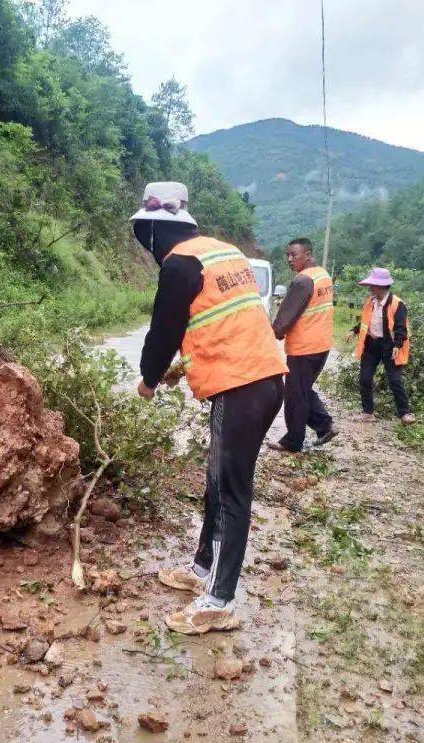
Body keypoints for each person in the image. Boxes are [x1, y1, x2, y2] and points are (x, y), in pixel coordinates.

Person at [131, 181, 287, 634]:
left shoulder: (179, 264)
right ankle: (203, 568)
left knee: (229, 492)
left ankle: (218, 599)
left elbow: (164, 329)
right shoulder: (223, 251)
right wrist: (185, 365)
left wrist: (149, 378)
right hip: (263, 379)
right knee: (218, 482)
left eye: (147, 236)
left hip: (240, 386)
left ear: (156, 231)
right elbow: (220, 321)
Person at [269, 238, 338, 453]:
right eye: (287, 255)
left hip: (304, 347)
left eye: (294, 255)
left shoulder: (303, 281)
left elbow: (284, 319)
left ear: (308, 254)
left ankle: (293, 441)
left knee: (294, 396)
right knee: (301, 389)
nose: (290, 259)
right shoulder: (323, 274)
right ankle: (325, 426)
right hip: (322, 345)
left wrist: (270, 335)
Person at [349, 267, 416, 424]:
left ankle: (405, 414)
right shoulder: (370, 302)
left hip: (390, 346)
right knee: (365, 378)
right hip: (371, 345)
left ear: (381, 286)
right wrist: (354, 330)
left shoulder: (397, 304)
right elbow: (367, 321)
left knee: (395, 380)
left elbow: (401, 327)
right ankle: (368, 413)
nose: (370, 288)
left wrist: (397, 345)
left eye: (372, 285)